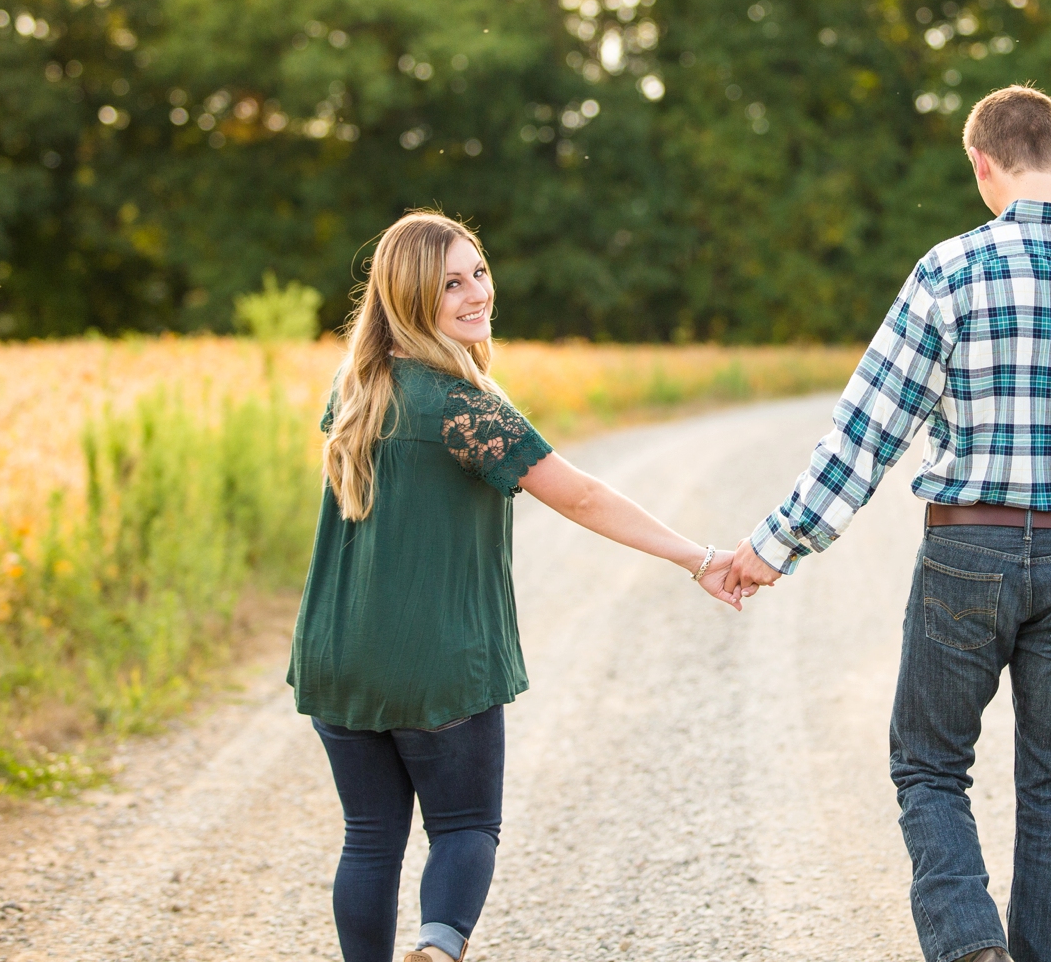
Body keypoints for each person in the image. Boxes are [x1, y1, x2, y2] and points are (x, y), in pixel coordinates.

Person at [726, 85, 1051, 962]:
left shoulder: (950, 270)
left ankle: (971, 944)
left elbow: (867, 432)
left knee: (930, 764)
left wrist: (773, 548)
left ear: (981, 165)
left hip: (967, 548)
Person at [287, 209, 740, 962]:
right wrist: (698, 556)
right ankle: (436, 947)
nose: (476, 294)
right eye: (450, 284)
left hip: (339, 651)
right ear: (407, 298)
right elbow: (582, 496)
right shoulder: (464, 407)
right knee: (464, 827)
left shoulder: (356, 390)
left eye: (479, 272)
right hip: (436, 662)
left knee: (369, 841)